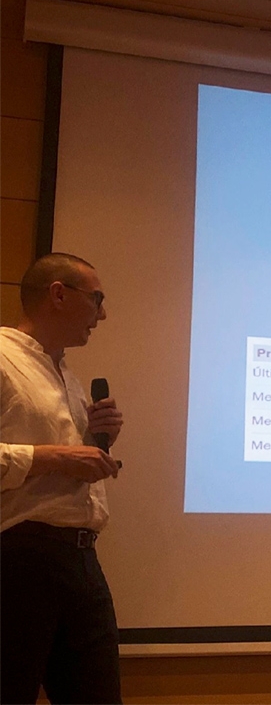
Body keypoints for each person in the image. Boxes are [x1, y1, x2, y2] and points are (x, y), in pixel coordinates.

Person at [1, 253, 124, 704]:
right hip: (16, 558)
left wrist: (95, 441)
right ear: (58, 294)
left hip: (80, 559)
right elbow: (51, 461)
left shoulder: (67, 376)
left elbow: (61, 466)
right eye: (97, 299)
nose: (102, 314)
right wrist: (54, 457)